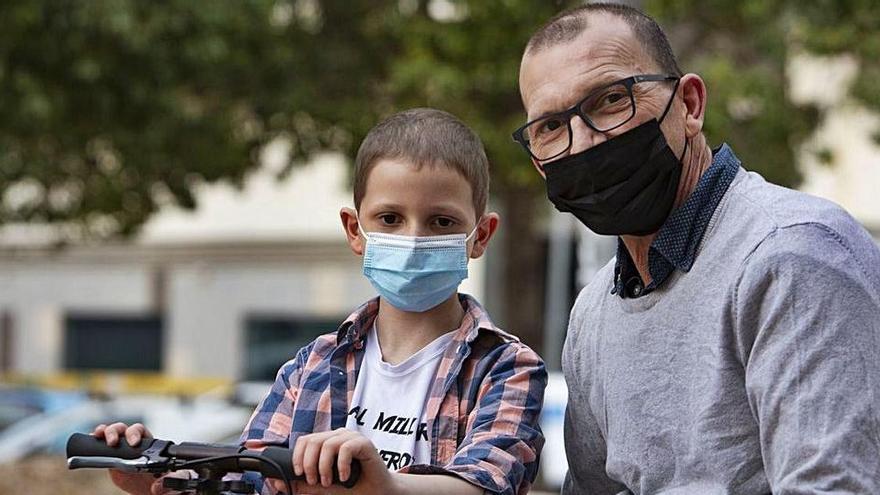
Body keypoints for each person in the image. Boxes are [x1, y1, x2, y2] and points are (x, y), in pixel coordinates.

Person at [512, 3, 880, 494]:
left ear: (688, 105)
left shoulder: (791, 256)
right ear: (538, 161)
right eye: (550, 128)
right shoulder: (594, 311)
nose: (581, 143)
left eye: (610, 100)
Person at [93, 108, 547, 495]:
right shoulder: (311, 367)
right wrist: (156, 478)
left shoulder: (506, 368)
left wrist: (386, 487)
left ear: (480, 235)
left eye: (441, 221)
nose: (412, 239)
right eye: (389, 218)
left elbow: (489, 482)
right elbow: (250, 482)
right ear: (355, 230)